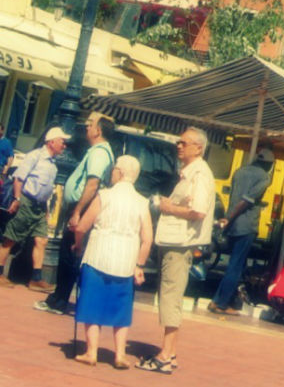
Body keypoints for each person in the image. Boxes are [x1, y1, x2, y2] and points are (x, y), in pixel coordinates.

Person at [137, 127, 214, 375]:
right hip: (175, 241)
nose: (179, 146)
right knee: (170, 295)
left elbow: (198, 211)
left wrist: (168, 207)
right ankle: (170, 352)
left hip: (180, 244)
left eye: (184, 143)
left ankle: (164, 356)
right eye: (178, 142)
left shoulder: (199, 174)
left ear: (198, 148)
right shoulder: (190, 173)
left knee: (170, 296)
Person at [72, 155, 153, 368]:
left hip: (98, 255)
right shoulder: (141, 202)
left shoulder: (104, 195)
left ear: (119, 172)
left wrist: (77, 245)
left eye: (114, 170)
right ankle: (119, 355)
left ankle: (91, 352)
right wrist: (139, 265)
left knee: (92, 303)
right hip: (125, 262)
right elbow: (147, 239)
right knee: (121, 309)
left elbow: (82, 227)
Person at [36, 113, 115, 315]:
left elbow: (92, 183)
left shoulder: (99, 153)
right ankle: (59, 298)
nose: (86, 128)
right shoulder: (98, 151)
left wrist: (77, 212)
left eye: (90, 125)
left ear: (99, 130)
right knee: (70, 253)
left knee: (69, 253)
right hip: (82, 207)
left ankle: (59, 300)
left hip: (83, 208)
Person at [0, 127, 70, 289]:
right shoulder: (35, 156)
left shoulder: (53, 165)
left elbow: (46, 190)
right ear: (51, 142)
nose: (64, 145)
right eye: (62, 141)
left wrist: (46, 211)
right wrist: (17, 199)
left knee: (42, 240)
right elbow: (19, 178)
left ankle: (36, 279)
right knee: (11, 239)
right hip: (26, 202)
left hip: (40, 208)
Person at [207, 147, 273, 315]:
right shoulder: (264, 177)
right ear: (269, 164)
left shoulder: (239, 171)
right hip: (246, 225)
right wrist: (229, 217)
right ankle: (221, 304)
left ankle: (217, 301)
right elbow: (246, 201)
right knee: (235, 267)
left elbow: (235, 197)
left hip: (233, 225)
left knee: (235, 265)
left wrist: (228, 218)